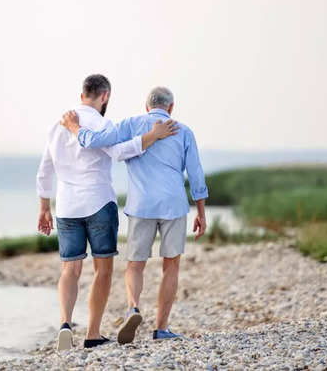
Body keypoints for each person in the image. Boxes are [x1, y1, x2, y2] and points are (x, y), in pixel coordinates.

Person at [36, 75, 177, 350]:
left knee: (70, 269)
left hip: (66, 206)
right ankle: (92, 333)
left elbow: (44, 170)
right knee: (102, 270)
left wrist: (44, 207)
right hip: (99, 202)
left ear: (82, 94)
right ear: (105, 96)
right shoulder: (102, 124)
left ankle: (65, 323)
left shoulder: (58, 125)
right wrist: (152, 136)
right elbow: (121, 152)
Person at [60, 86, 208, 344]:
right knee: (171, 266)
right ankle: (161, 329)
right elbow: (195, 174)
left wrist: (75, 129)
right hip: (174, 204)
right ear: (171, 107)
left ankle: (133, 307)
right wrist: (201, 212)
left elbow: (95, 141)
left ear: (146, 105)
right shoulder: (183, 131)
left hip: (141, 205)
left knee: (135, 265)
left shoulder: (130, 124)